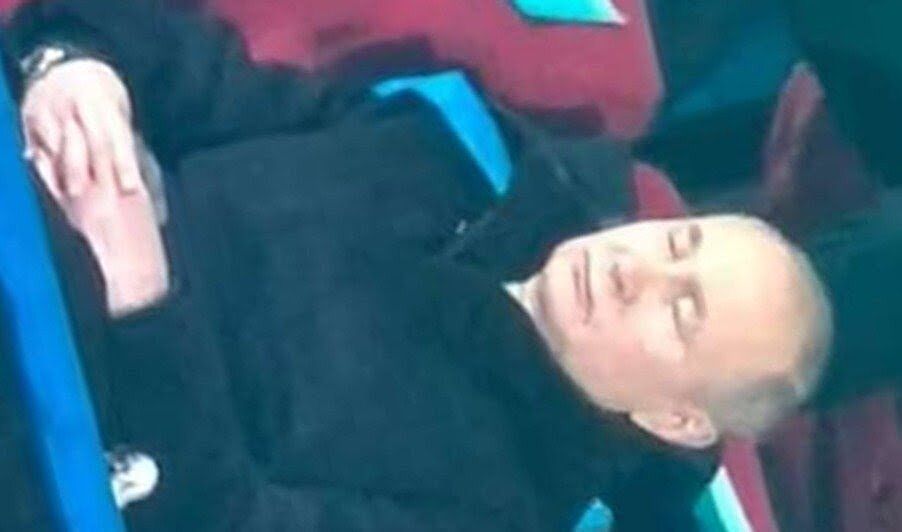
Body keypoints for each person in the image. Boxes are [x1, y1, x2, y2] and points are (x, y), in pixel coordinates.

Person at [0, 0, 832, 530]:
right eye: (677, 245)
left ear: (676, 420)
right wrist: (79, 64)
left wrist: (143, 306)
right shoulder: (454, 146)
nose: (634, 271)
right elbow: (215, 85)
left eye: (680, 313)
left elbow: (218, 516)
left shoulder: (495, 505)